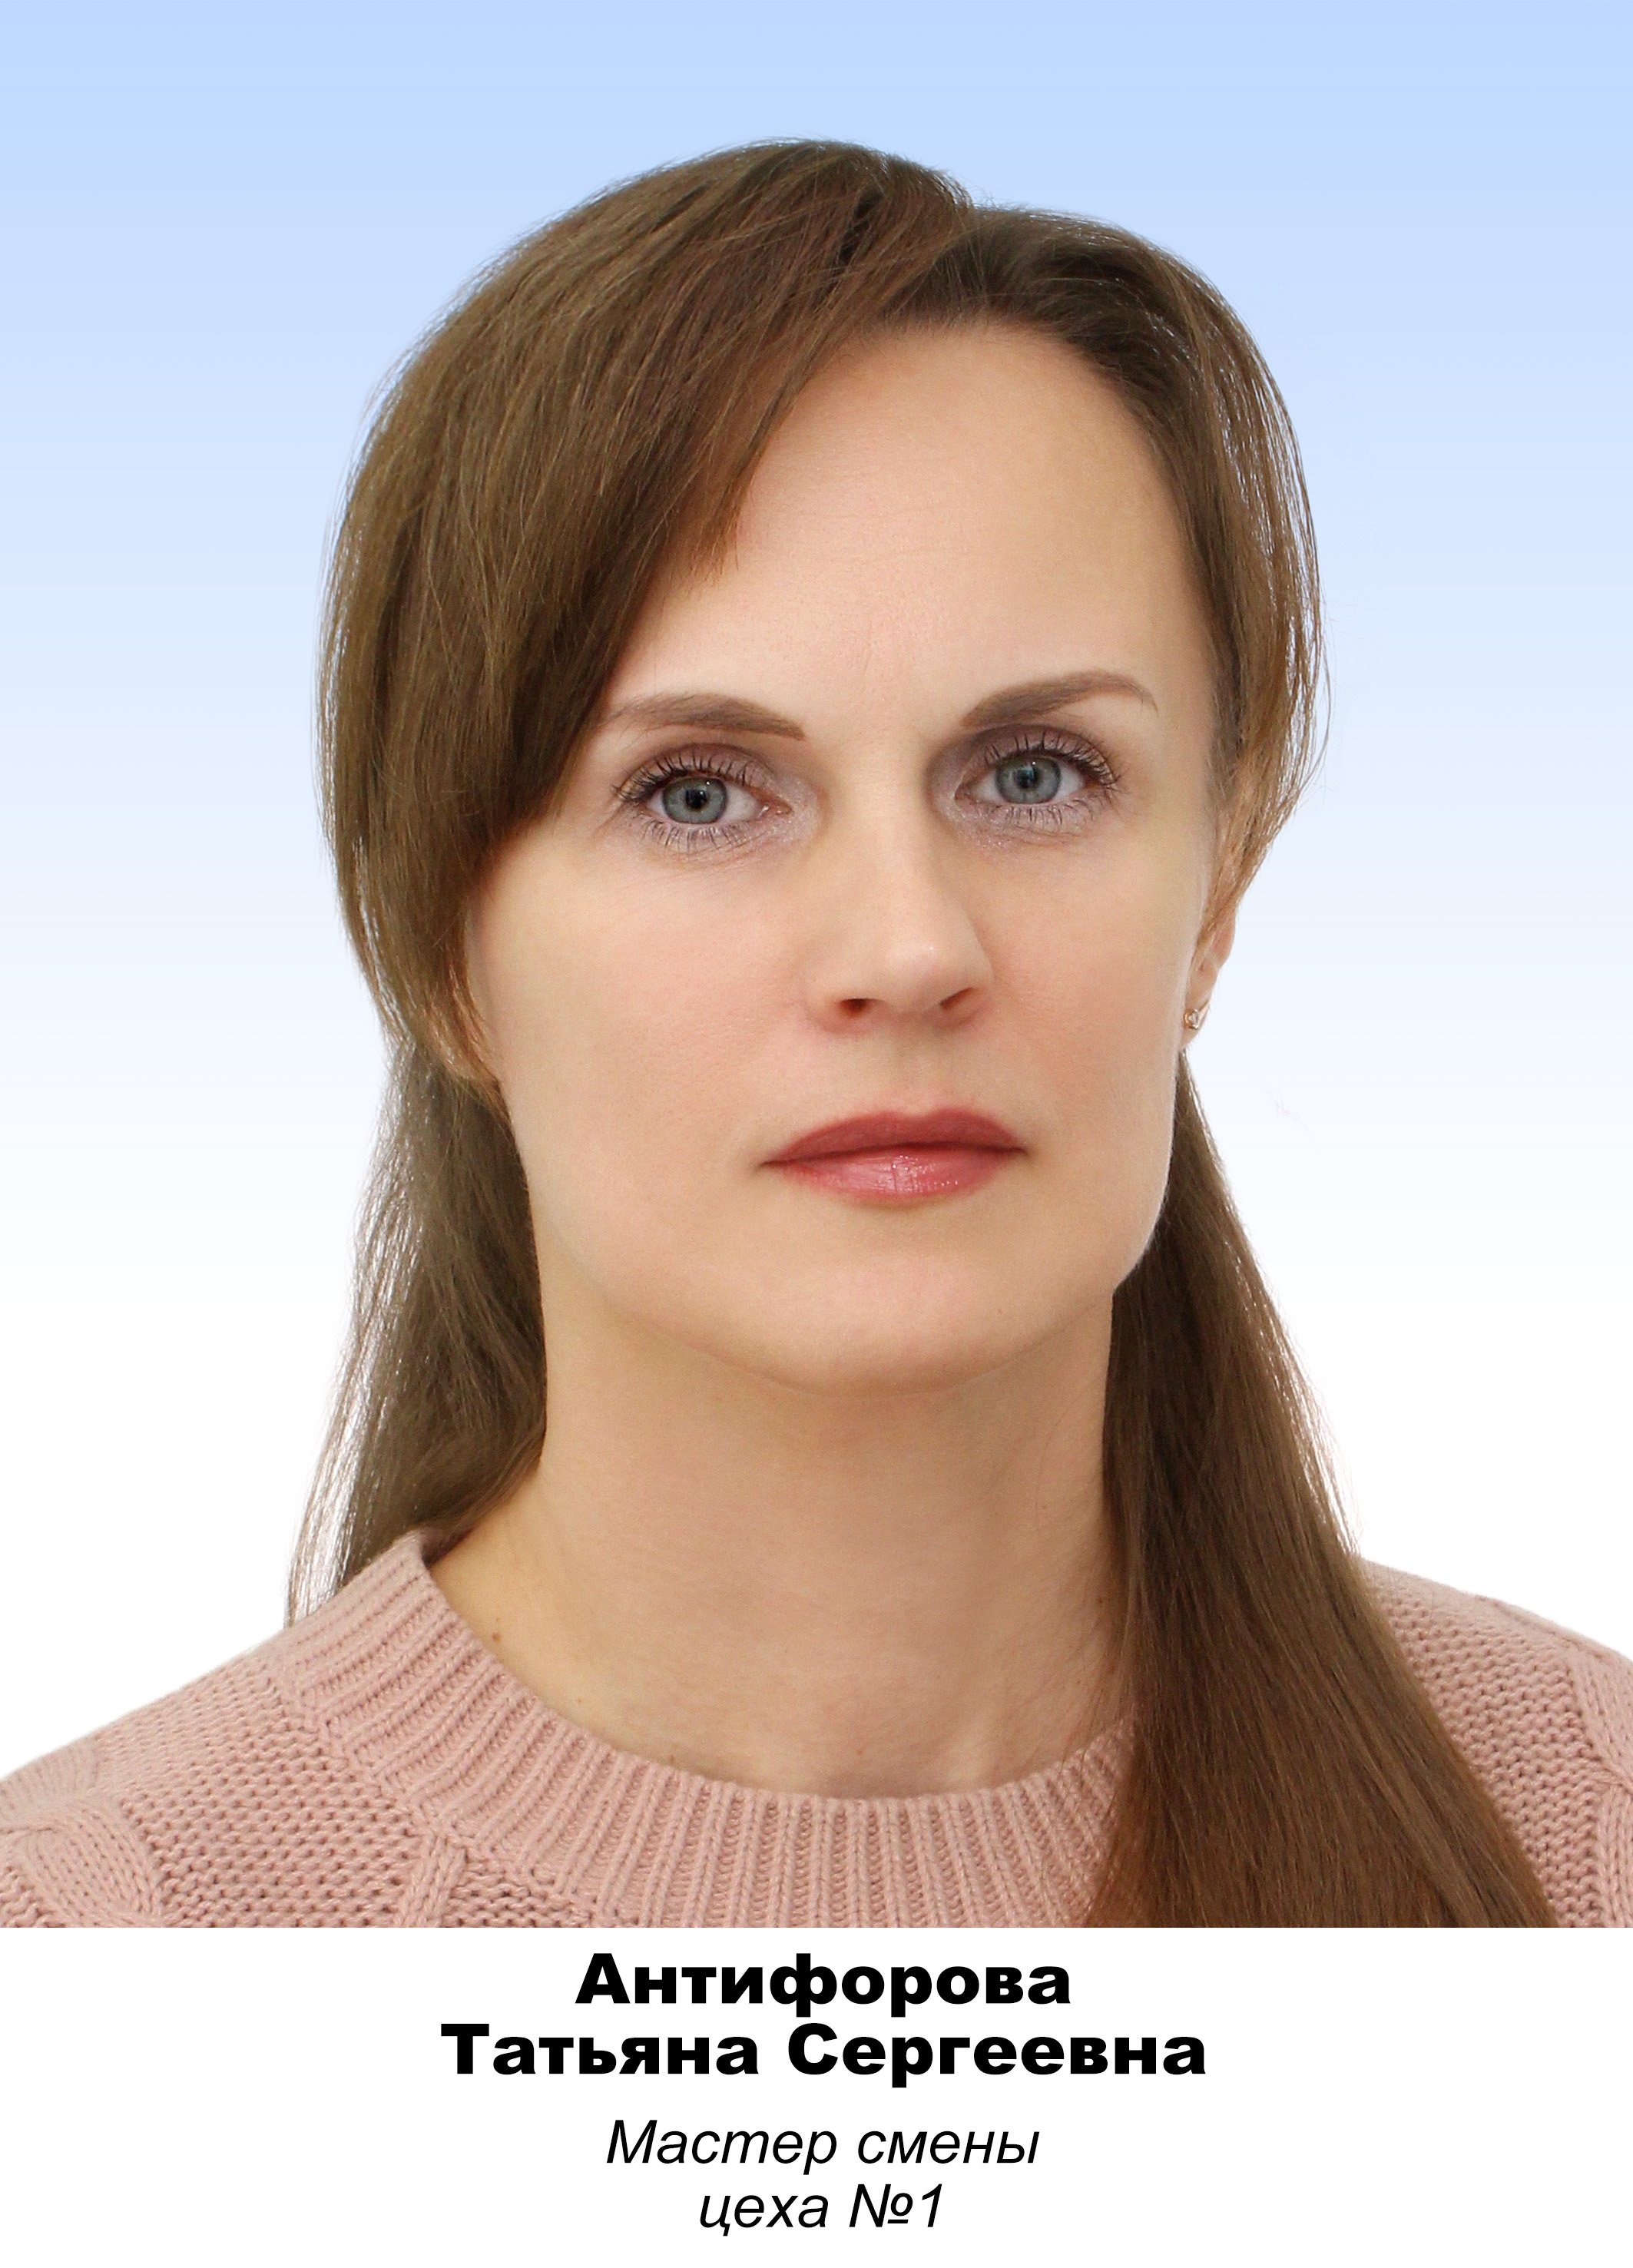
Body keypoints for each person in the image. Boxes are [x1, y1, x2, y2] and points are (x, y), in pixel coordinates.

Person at [3, 141, 1628, 1929]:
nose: (907, 950)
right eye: (698, 793)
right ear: (444, 950)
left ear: (1218, 887)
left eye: (1036, 775)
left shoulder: (1590, 1841)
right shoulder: (77, 1945)